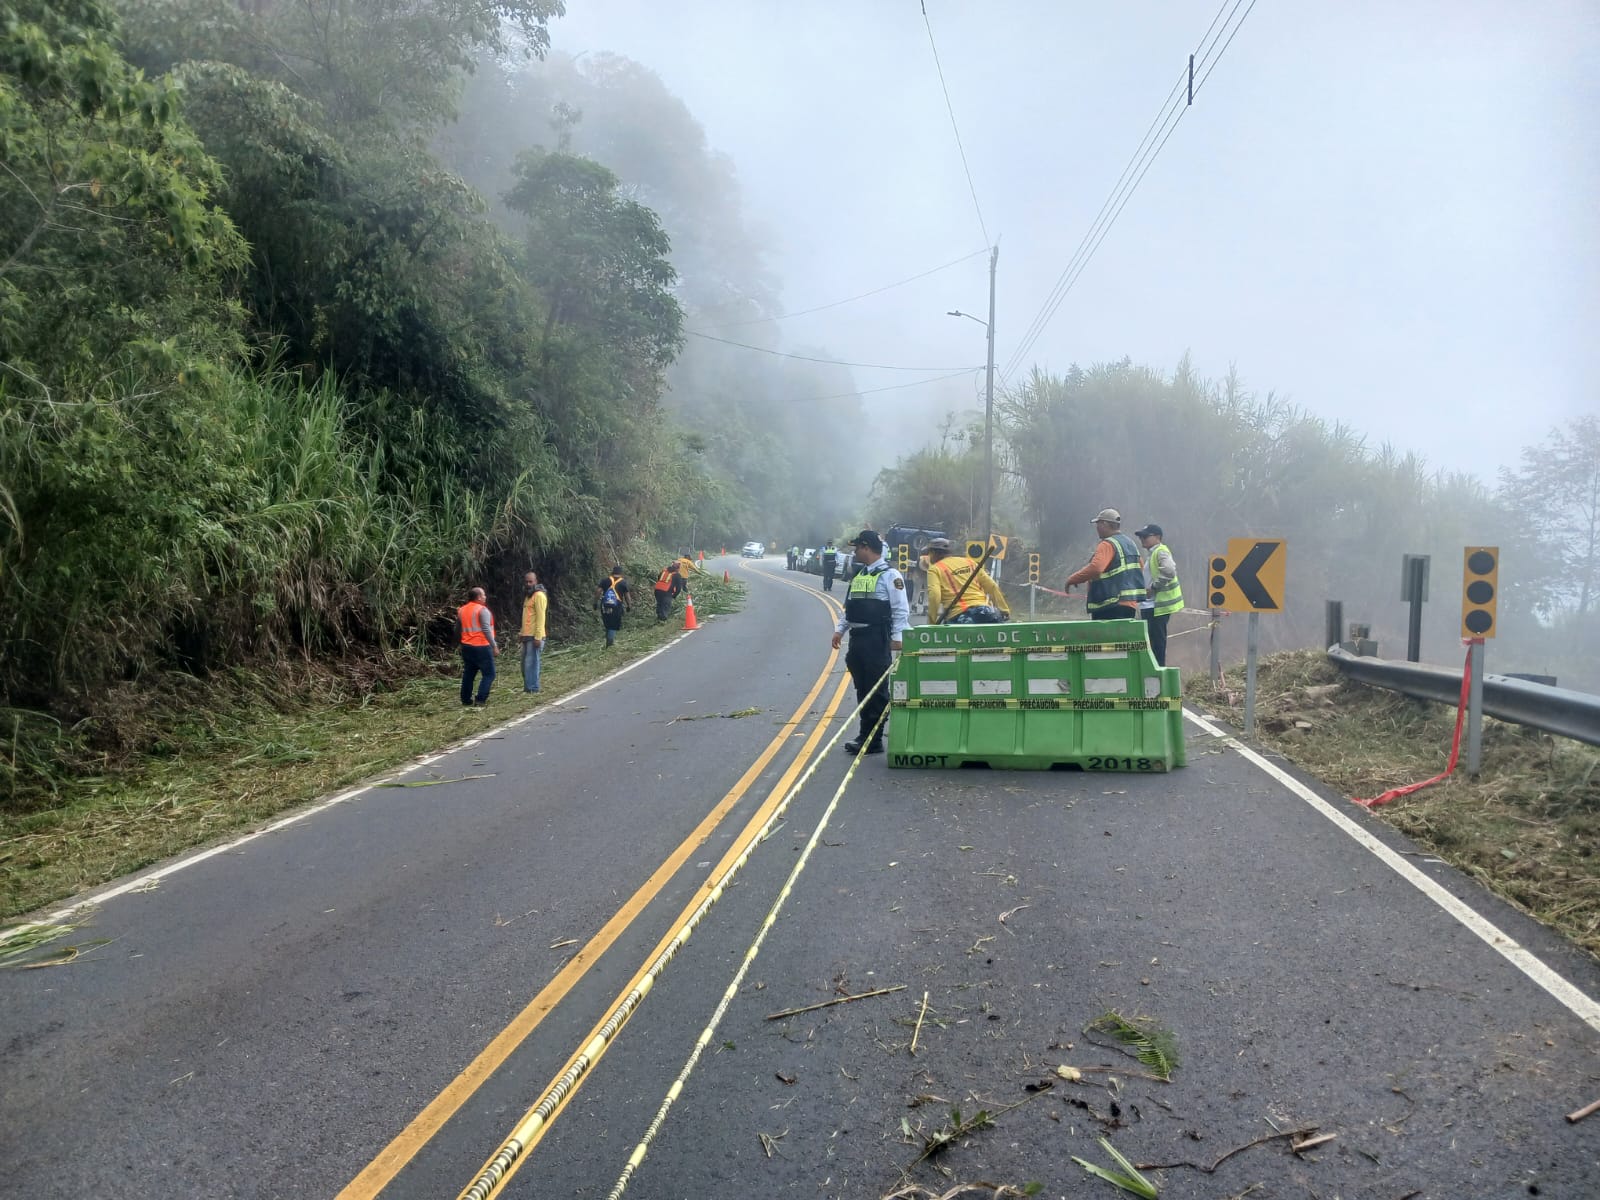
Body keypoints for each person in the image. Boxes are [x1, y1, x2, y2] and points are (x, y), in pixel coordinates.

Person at [829, 530, 910, 755]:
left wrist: (898, 638)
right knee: (863, 688)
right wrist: (840, 630)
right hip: (858, 640)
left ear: (866, 547)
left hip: (877, 639)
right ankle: (866, 734)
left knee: (877, 690)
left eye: (857, 548)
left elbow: (900, 610)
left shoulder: (890, 575)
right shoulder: (860, 575)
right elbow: (851, 606)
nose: (854, 552)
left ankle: (872, 739)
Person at [1064, 508, 1147, 620]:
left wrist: (1073, 579)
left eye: (1098, 524)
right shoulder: (1130, 544)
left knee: (1105, 638)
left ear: (1105, 524)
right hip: (1129, 605)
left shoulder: (1107, 544)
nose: (1097, 528)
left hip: (1110, 605)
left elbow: (1096, 568)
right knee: (1122, 637)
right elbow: (1139, 568)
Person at [924, 537, 1010, 624]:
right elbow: (992, 586)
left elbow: (934, 595)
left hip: (960, 616)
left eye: (929, 553)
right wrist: (1003, 609)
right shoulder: (970, 562)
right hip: (987, 612)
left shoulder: (935, 569)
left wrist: (931, 623)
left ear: (934, 553)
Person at [1134, 524, 1182, 667]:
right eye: (1141, 536)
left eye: (1146, 536)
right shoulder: (1153, 553)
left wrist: (1153, 587)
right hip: (1151, 605)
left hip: (1156, 606)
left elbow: (1169, 571)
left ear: (1158, 537)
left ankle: (1158, 673)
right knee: (1154, 643)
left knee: (1157, 644)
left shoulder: (1160, 551)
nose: (1142, 539)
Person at [457, 586, 498, 706]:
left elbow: (458, 629)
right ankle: (480, 699)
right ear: (479, 597)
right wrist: (494, 646)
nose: (485, 597)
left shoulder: (462, 610)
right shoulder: (482, 610)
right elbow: (486, 629)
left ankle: (465, 699)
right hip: (481, 646)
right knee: (489, 674)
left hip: (467, 646)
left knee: (469, 674)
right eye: (484, 595)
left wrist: (460, 643)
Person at [520, 571, 548, 692]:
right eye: (526, 581)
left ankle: (532, 688)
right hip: (526, 635)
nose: (528, 583)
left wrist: (538, 637)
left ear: (536, 581)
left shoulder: (539, 596)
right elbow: (526, 616)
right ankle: (528, 687)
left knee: (531, 663)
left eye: (530, 581)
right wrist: (521, 633)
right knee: (524, 665)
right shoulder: (528, 596)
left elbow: (541, 617)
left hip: (535, 636)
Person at [597, 566, 630, 647]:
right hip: (616, 606)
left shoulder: (605, 580)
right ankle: (610, 643)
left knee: (607, 621)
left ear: (612, 572)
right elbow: (627, 596)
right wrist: (629, 605)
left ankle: (608, 639)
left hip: (605, 605)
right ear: (621, 573)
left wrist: (595, 602)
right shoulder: (623, 582)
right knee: (613, 624)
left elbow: (598, 591)